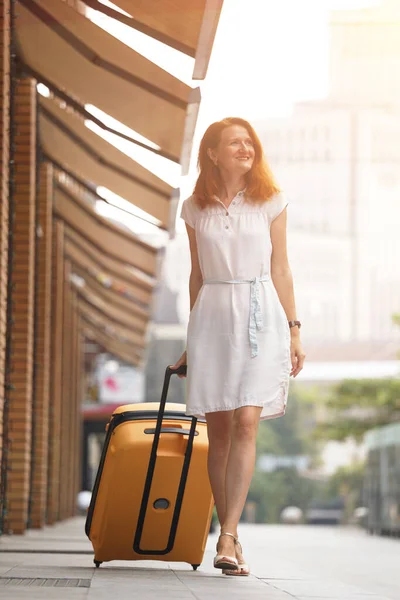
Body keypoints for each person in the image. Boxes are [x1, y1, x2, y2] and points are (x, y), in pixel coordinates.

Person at [170, 117, 305, 576]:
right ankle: (230, 538)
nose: (245, 148)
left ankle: (227, 534)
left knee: (247, 420)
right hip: (212, 317)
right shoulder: (194, 209)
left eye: (250, 142)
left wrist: (294, 329)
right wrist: (191, 339)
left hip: (260, 313)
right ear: (212, 152)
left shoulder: (271, 201)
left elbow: (282, 270)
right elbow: (196, 275)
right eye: (235, 142)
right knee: (220, 431)